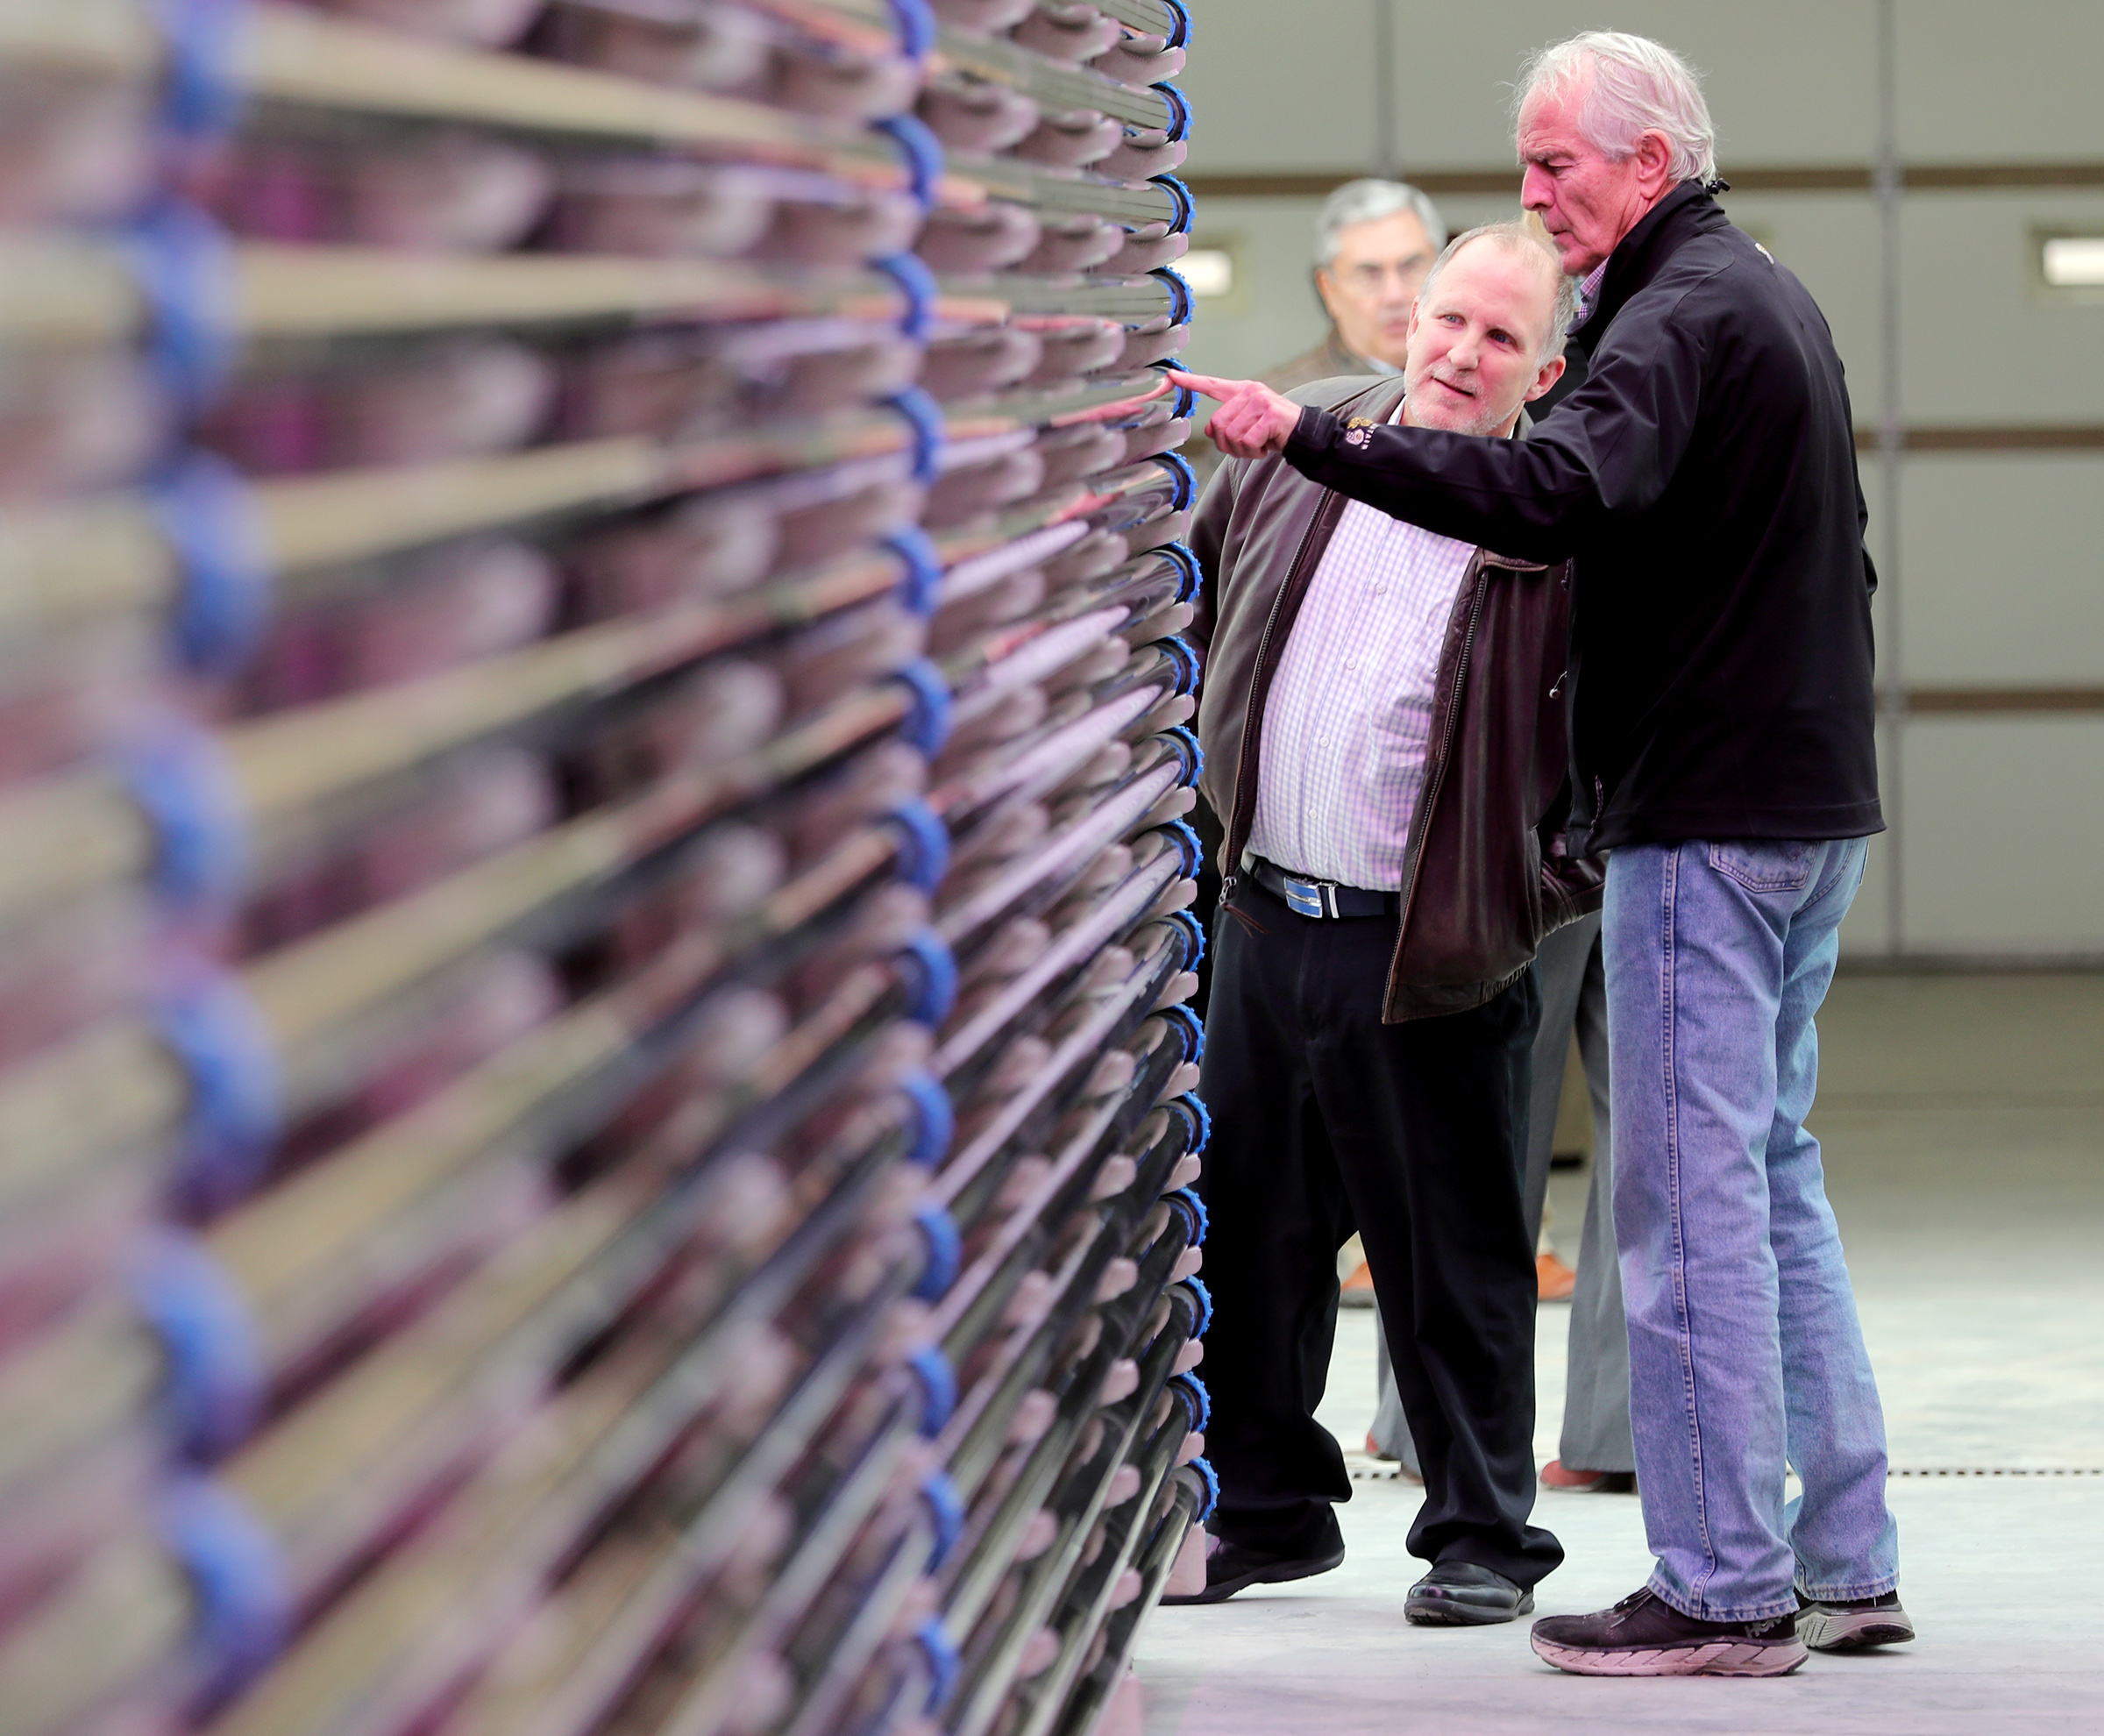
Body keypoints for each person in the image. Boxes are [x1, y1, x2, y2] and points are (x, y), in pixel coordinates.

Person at [1174, 29, 1910, 1678]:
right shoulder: (1754, 300)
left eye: (1557, 165)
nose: (1533, 191)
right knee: (1767, 1175)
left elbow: (1563, 497)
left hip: (1707, 823)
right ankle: (1843, 1556)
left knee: (1683, 1202)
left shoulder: (1677, 317)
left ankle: (1721, 1587)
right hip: (1784, 806)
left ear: (1650, 164)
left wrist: (1321, 437)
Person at [1167, 219, 1601, 1626]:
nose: (1461, 355)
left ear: (1542, 374)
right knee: (1247, 1238)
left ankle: (1481, 1536)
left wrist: (1534, 883)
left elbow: (1607, 735)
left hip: (1426, 947)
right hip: (1265, 915)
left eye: (1499, 340)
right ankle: (1270, 1511)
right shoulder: (1314, 452)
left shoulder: (1550, 520)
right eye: (1447, 322)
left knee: (1451, 1256)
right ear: (1406, 323)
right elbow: (1203, 586)